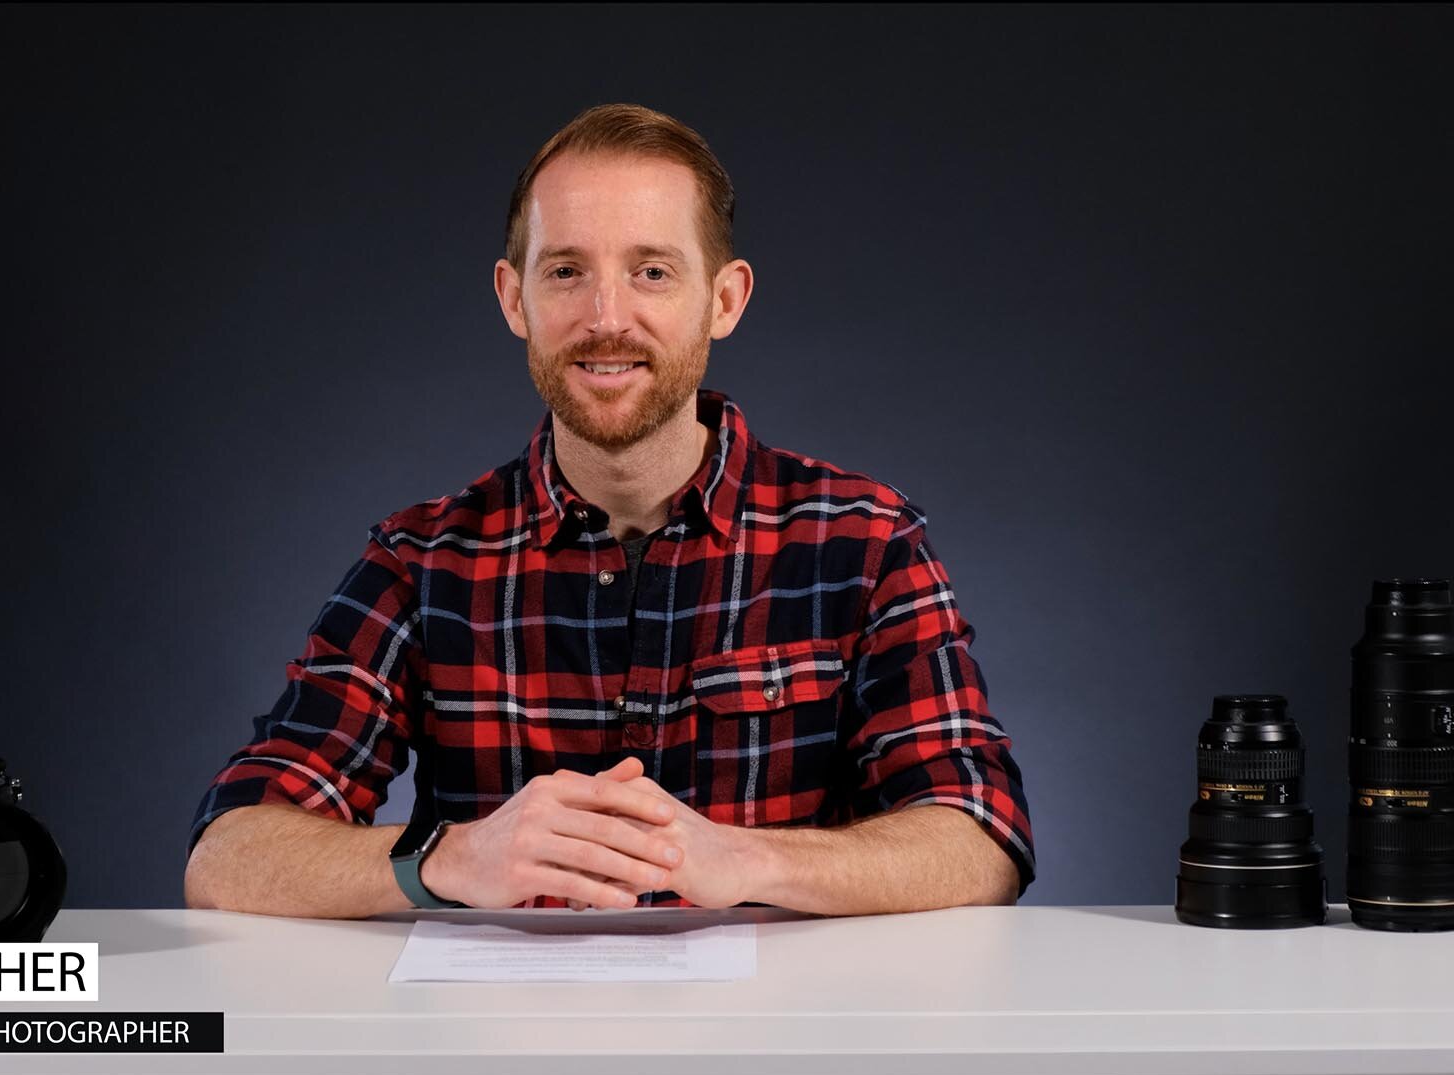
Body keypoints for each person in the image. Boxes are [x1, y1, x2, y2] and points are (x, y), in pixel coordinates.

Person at [184, 103, 1034, 917]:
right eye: (566, 272)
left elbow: (981, 839)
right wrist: (448, 856)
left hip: (776, 1059)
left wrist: (749, 858)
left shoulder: (866, 540)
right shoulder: (422, 561)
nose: (605, 318)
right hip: (500, 1059)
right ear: (514, 298)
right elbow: (229, 853)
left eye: (652, 272)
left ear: (725, 299)